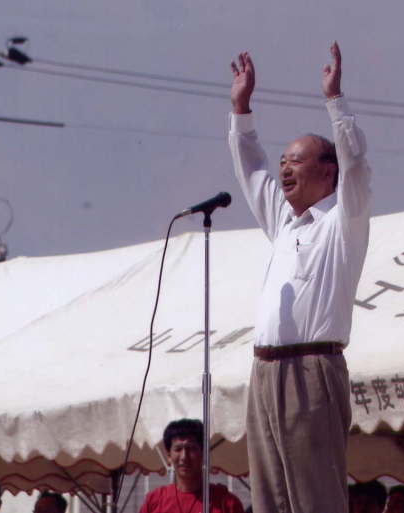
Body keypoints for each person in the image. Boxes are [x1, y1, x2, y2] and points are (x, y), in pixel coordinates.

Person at [229, 41, 371, 513]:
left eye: (295, 160)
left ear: (327, 172)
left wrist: (335, 101)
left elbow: (356, 165)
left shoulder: (342, 222)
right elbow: (252, 172)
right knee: (269, 499)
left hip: (312, 370)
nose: (284, 168)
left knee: (315, 500)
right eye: (283, 161)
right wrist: (241, 110)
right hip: (264, 369)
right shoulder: (284, 223)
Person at [138, 419, 244, 513]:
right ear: (169, 456)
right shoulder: (154, 501)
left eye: (191, 448)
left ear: (203, 453)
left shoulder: (226, 503)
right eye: (178, 449)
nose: (184, 457)